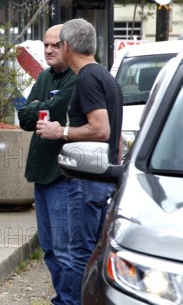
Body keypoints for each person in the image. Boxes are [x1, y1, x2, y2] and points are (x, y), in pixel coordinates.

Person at [35, 18, 123, 304]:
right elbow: (116, 139)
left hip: (86, 180)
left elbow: (101, 129)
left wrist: (60, 130)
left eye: (57, 44)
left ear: (67, 46)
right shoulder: (105, 76)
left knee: (77, 254)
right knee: (91, 253)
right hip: (102, 178)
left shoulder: (86, 78)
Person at [18, 24, 77, 305]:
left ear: (69, 46)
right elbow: (25, 119)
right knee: (50, 248)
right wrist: (41, 104)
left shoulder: (77, 78)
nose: (50, 50)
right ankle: (62, 299)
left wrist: (43, 105)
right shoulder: (44, 76)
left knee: (66, 249)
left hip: (63, 176)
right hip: (41, 174)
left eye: (56, 45)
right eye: (46, 45)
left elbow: (59, 108)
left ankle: (69, 301)